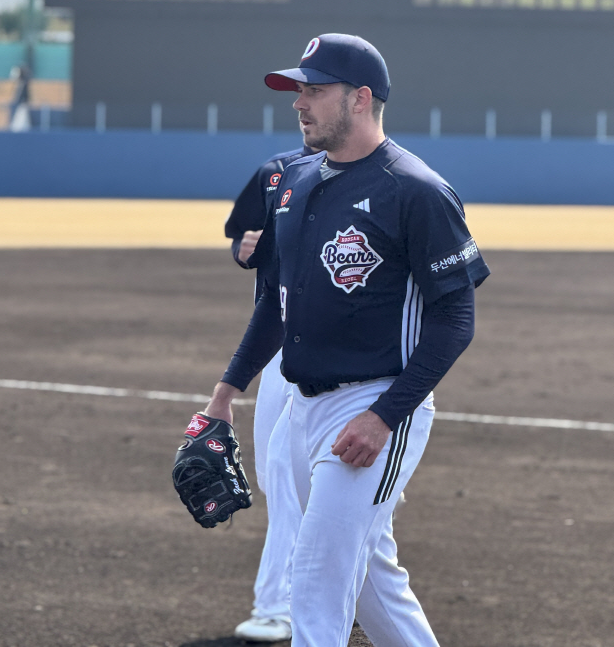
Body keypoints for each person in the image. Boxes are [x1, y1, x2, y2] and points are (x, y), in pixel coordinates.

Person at [203, 33, 490, 647]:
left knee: (316, 576)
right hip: (302, 410)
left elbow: (455, 324)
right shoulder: (297, 184)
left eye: (314, 91)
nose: (299, 103)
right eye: (297, 91)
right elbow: (276, 308)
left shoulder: (416, 191)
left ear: (360, 99)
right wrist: (225, 394)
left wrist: (384, 417)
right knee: (370, 580)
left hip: (377, 406)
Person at [225, 143, 315, 642]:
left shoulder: (379, 179)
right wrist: (242, 250)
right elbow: (244, 237)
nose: (303, 104)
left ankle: (279, 604)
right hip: (278, 345)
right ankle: (306, 595)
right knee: (274, 474)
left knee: (286, 475)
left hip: (342, 354)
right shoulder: (274, 173)